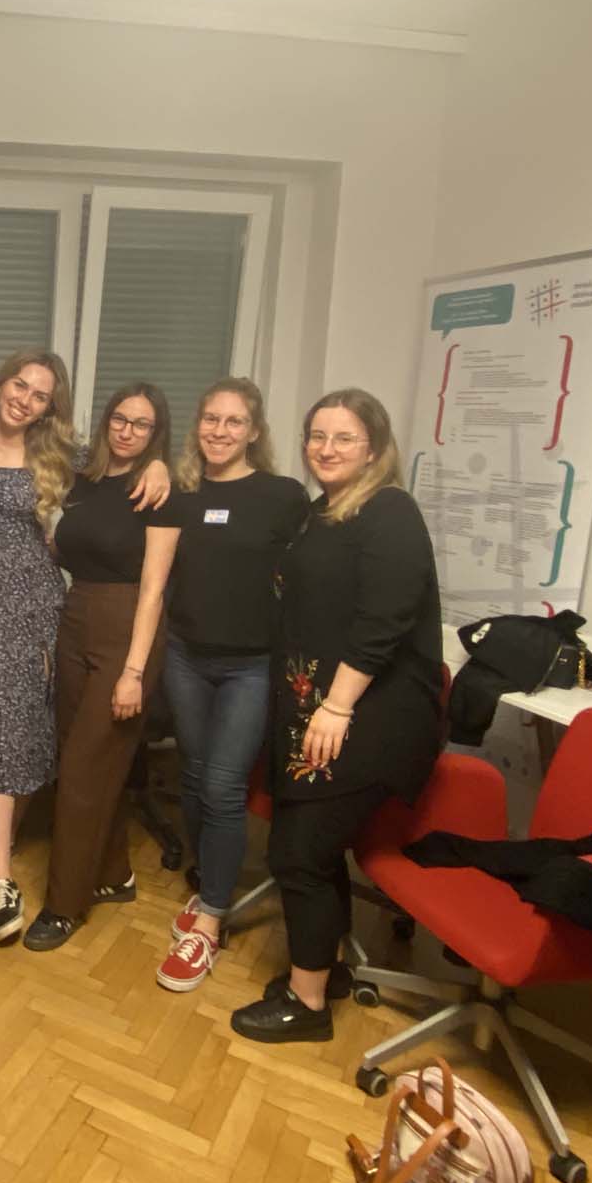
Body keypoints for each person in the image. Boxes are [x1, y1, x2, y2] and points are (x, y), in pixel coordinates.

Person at [230, 388, 443, 1044]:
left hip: (365, 713)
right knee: (311, 849)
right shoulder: (322, 512)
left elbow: (383, 621)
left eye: (344, 437)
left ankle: (308, 1005)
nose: (326, 448)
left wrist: (336, 706)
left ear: (373, 448)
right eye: (317, 436)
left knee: (299, 851)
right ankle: (326, 969)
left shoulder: (389, 511)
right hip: (316, 707)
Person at [0, 351, 167, 943]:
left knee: (26, 730)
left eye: (41, 395)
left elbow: (119, 462)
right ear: (2, 383)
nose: (26, 400)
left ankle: (2, 870)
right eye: (21, 385)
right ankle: (1, 852)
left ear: (48, 408)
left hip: (38, 610)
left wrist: (162, 464)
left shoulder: (57, 457)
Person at [148, 379, 309, 991]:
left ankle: (211, 919)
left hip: (251, 666)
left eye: (233, 421)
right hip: (187, 658)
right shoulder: (182, 492)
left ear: (254, 431)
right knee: (192, 776)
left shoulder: (282, 496)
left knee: (221, 785)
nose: (220, 431)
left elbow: (311, 573)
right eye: (211, 419)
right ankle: (208, 881)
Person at [24, 383, 176, 951]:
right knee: (83, 757)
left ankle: (63, 906)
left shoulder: (160, 490)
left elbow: (155, 588)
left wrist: (134, 672)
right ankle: (114, 874)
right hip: (76, 617)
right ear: (107, 420)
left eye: (141, 424)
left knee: (84, 769)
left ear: (156, 432)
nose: (128, 431)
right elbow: (69, 547)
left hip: (127, 629)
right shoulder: (85, 482)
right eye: (120, 418)